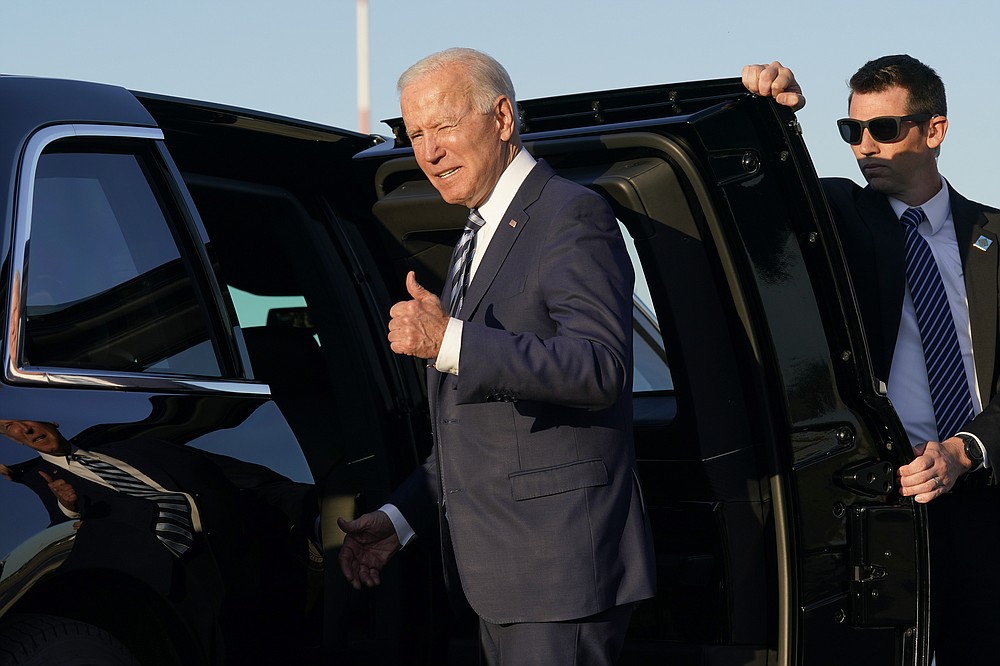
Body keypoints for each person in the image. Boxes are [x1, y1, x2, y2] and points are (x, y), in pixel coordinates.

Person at [337, 47, 655, 665]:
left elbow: (599, 367)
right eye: (416, 133)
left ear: (502, 118)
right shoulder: (474, 233)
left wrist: (449, 341)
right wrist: (400, 519)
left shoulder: (571, 214)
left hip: (559, 575)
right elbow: (478, 433)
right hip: (500, 578)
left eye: (445, 126)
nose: (428, 151)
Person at [743, 56, 1000, 665]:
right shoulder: (839, 218)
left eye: (884, 130)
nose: (864, 146)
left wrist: (964, 451)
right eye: (850, 131)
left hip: (983, 490)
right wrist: (773, 116)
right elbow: (773, 197)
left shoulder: (993, 239)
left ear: (934, 130)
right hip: (883, 503)